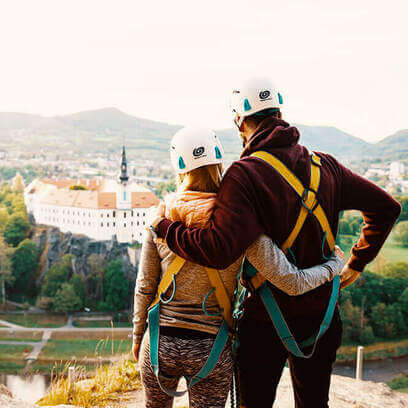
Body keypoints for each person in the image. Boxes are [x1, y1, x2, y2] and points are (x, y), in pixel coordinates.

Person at [150, 78, 402, 408]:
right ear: (280, 112)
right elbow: (386, 207)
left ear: (239, 120)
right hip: (322, 314)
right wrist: (356, 261)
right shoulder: (324, 166)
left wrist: (166, 228)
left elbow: (217, 249)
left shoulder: (244, 176)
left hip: (265, 318)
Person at [133, 126, 346, 408]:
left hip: (160, 343)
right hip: (212, 347)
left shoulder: (160, 219)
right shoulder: (241, 224)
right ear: (219, 164)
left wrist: (138, 338)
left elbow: (145, 287)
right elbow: (291, 282)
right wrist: (333, 265)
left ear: (179, 168)